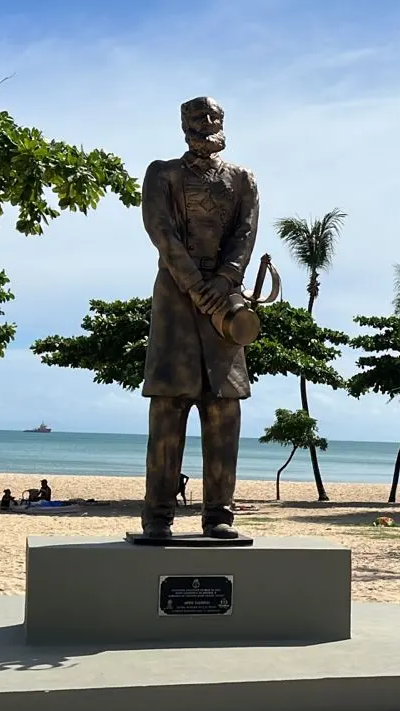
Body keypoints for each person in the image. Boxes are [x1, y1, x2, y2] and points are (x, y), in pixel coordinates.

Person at [138, 96, 261, 539]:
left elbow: (245, 233)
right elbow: (161, 230)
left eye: (212, 117)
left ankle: (220, 515)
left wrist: (225, 280)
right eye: (196, 118)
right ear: (183, 124)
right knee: (169, 406)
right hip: (175, 299)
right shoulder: (162, 173)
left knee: (224, 408)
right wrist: (193, 284)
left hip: (225, 301)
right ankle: (157, 517)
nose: (205, 124)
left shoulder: (242, 178)